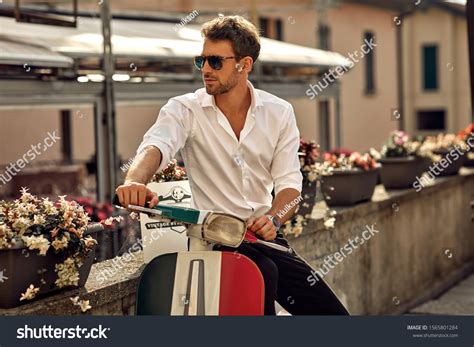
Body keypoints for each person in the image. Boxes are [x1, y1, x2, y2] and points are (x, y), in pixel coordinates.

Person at [115, 15, 349, 316]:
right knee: (263, 273)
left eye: (215, 62)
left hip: (264, 236)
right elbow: (156, 145)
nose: (206, 71)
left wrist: (274, 219)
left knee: (333, 316)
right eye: (201, 61)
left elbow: (290, 184)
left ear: (245, 64)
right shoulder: (184, 109)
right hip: (215, 236)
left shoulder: (279, 113)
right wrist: (136, 181)